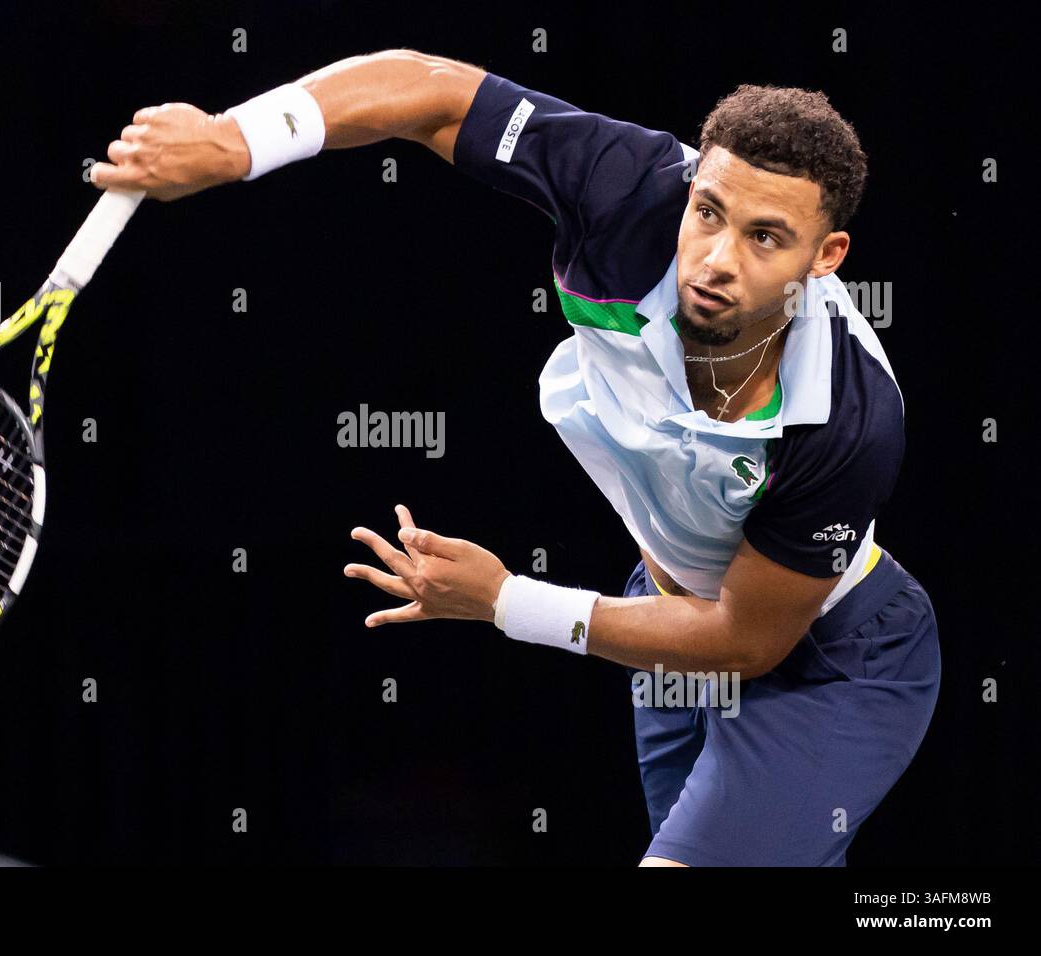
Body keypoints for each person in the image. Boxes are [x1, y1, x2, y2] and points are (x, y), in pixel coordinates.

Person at [90, 49, 941, 867]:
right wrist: (239, 140)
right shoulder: (624, 186)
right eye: (709, 211)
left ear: (825, 258)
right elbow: (433, 90)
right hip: (669, 627)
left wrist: (506, 601)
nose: (716, 259)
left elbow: (744, 642)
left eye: (766, 238)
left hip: (831, 656)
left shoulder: (851, 420)